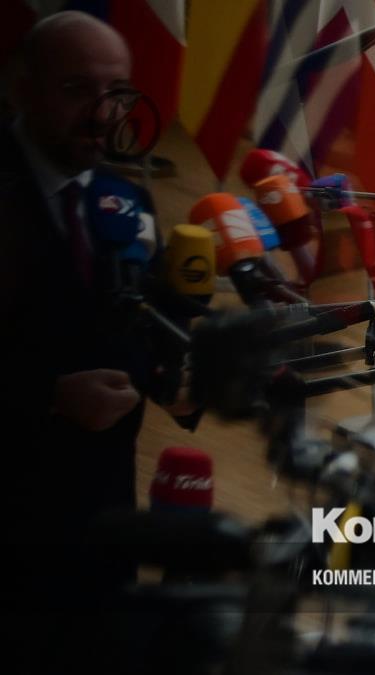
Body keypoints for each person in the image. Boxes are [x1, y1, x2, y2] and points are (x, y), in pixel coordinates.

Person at [0, 11, 193, 672]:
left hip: (103, 527)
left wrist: (189, 373)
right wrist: (48, 396)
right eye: (76, 89)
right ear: (20, 89)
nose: (102, 113)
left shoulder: (125, 199)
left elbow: (147, 327)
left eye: (116, 92)